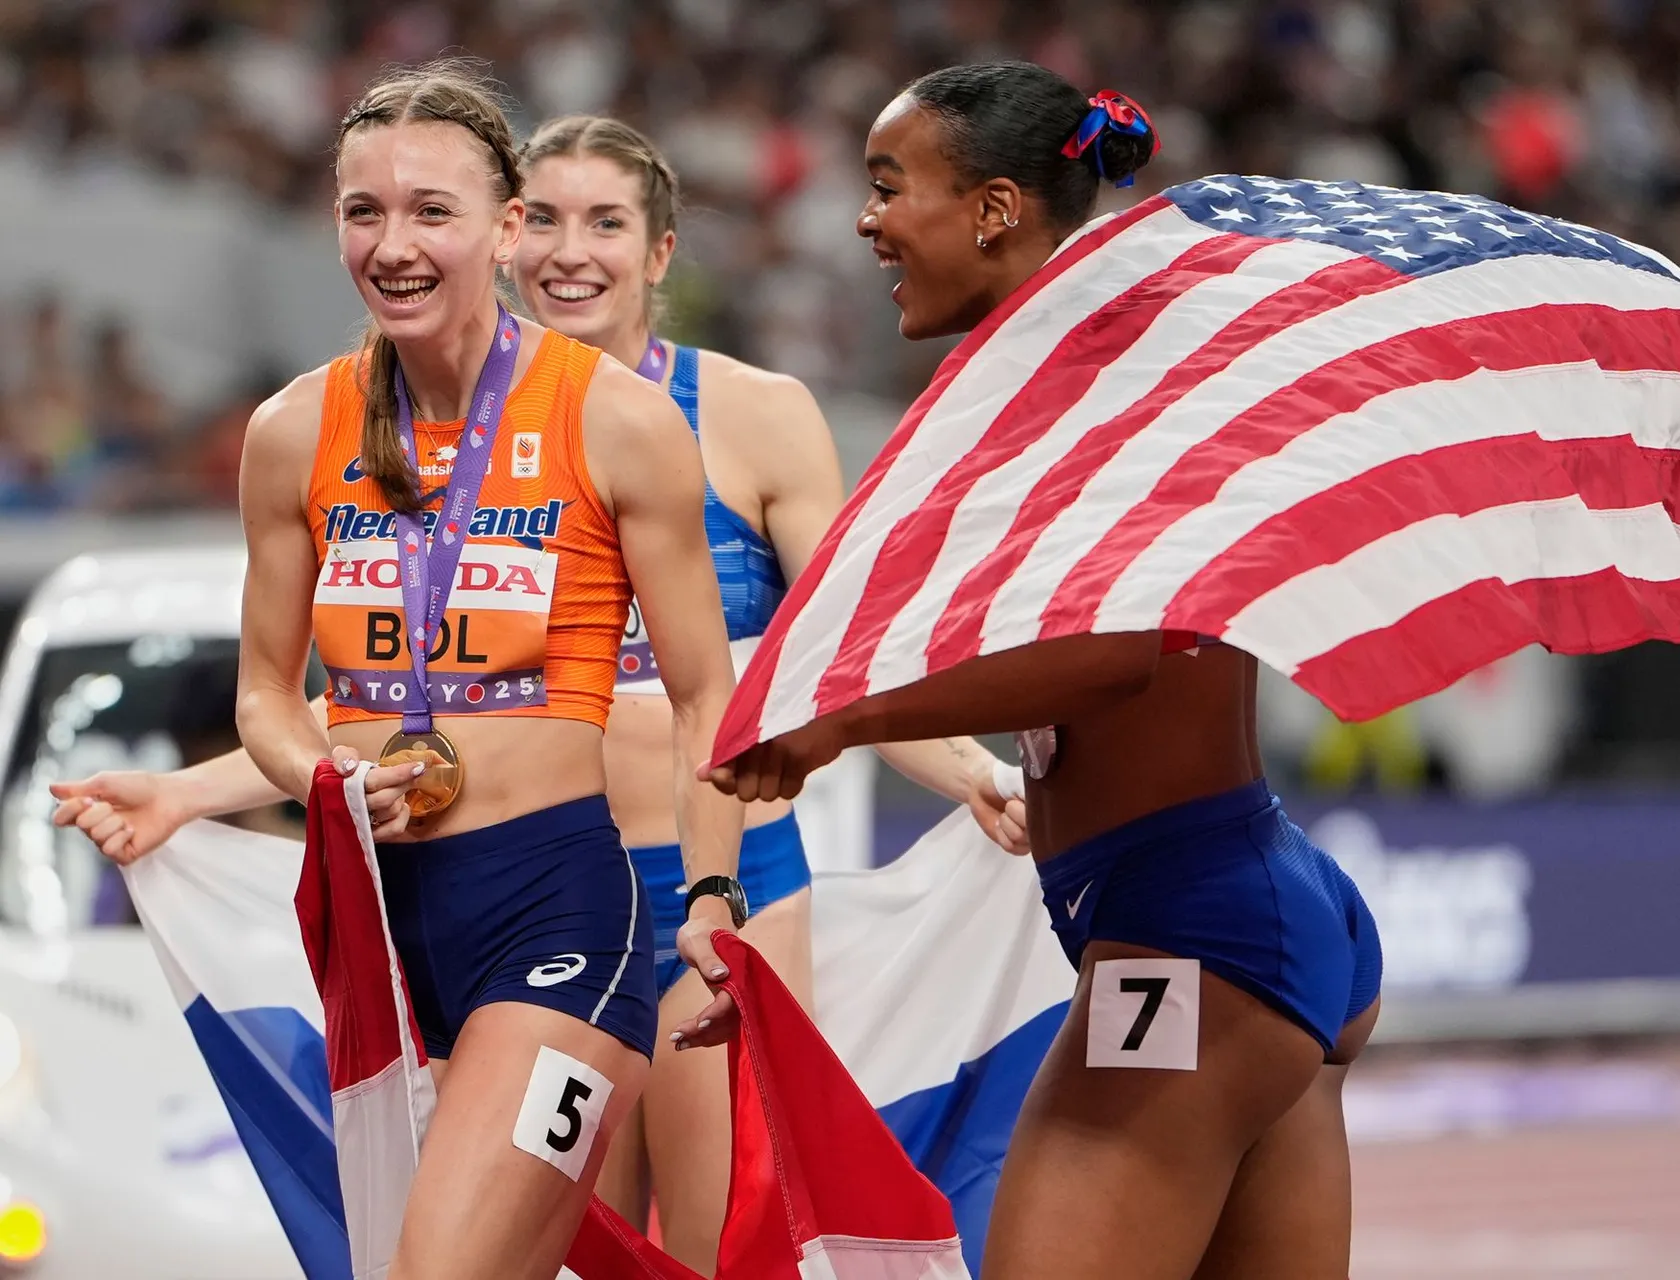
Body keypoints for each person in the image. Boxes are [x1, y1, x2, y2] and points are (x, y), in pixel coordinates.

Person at [55, 107, 1027, 1274]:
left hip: (652, 890)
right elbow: (355, 698)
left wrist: (954, 774)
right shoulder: (312, 427)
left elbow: (812, 661)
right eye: (365, 210)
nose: (572, 251)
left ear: (649, 250)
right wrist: (209, 790)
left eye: (603, 222)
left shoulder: (692, 417)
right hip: (398, 914)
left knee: (708, 1248)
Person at [704, 63, 1382, 1280]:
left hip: (1190, 937)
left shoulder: (1106, 376)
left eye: (889, 186)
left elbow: (1117, 654)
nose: (865, 220)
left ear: (995, 210)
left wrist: (841, 718)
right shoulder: (1078, 365)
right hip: (1235, 913)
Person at [117, 61, 744, 1280]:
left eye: (431, 211)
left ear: (506, 229)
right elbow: (266, 695)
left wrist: (713, 892)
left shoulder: (614, 418)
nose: (393, 245)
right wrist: (328, 778)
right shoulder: (292, 430)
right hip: (374, 931)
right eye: (365, 211)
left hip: (556, 919)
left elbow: (705, 694)